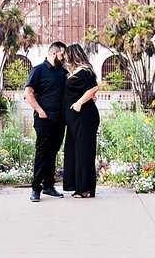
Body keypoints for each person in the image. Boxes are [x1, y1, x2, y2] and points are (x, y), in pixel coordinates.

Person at [24, 41, 67, 202]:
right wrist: (40, 111)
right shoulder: (38, 70)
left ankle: (49, 186)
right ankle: (36, 189)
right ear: (53, 53)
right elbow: (28, 93)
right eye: (62, 55)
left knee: (53, 153)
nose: (63, 58)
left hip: (59, 119)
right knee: (42, 153)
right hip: (44, 119)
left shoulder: (62, 72)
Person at [62, 44, 99, 199]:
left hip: (84, 117)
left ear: (73, 55)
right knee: (74, 151)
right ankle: (79, 186)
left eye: (66, 55)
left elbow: (94, 88)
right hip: (74, 120)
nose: (64, 57)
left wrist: (79, 103)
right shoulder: (74, 72)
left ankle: (84, 189)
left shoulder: (85, 71)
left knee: (84, 151)